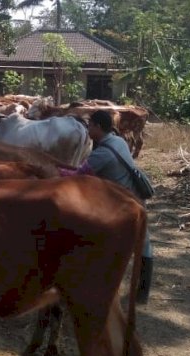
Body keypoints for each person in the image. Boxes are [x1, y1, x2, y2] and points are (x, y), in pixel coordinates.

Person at [75, 110, 154, 304]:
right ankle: (142, 292)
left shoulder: (102, 154)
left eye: (90, 126)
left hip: (120, 203)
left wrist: (53, 172)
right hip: (135, 196)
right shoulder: (118, 142)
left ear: (99, 127)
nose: (88, 130)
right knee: (143, 242)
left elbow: (78, 176)